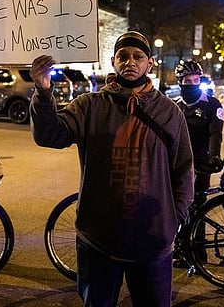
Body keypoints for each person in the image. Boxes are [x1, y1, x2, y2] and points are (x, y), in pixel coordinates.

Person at [29, 31, 194, 306]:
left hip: (152, 242)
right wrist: (43, 91)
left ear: (149, 63)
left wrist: (174, 219)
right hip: (98, 239)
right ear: (113, 62)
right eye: (123, 56)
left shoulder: (169, 112)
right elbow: (49, 135)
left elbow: (183, 170)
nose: (130, 61)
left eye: (137, 56)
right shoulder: (89, 106)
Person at [173, 60, 224, 197]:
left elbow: (215, 133)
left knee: (199, 199)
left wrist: (214, 155)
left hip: (202, 160)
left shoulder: (212, 104)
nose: (192, 84)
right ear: (180, 82)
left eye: (195, 80)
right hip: (178, 161)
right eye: (188, 82)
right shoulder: (174, 107)